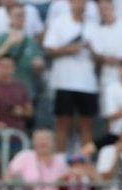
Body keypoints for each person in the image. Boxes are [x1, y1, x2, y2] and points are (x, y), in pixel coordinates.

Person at [43, 0, 98, 152]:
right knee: (63, 123)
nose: (80, 5)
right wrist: (69, 49)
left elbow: (100, 56)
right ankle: (60, 159)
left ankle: (84, 159)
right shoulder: (58, 23)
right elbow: (49, 49)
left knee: (86, 124)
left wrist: (92, 50)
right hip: (64, 81)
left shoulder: (93, 26)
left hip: (87, 83)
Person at [5, 128, 69, 190]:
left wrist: (62, 180)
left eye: (46, 139)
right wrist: (21, 182)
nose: (43, 142)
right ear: (34, 142)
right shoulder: (24, 156)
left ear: (53, 142)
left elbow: (72, 176)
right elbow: (7, 177)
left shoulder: (61, 160)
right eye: (39, 139)